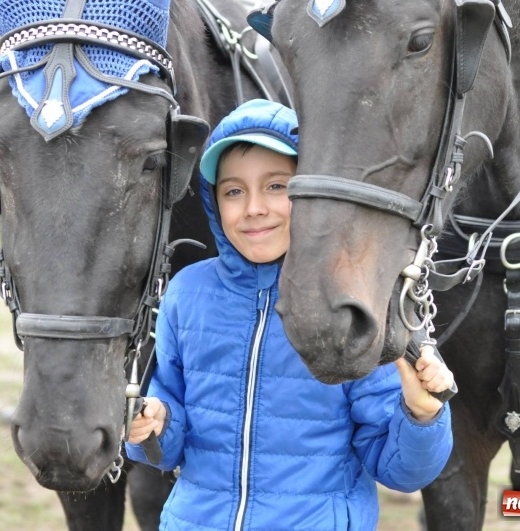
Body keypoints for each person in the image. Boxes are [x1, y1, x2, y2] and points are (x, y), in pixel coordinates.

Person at [125, 99, 454, 530]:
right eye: (234, 191)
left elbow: (400, 471)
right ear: (213, 201)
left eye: (276, 186)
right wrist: (154, 423)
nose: (254, 208)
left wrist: (422, 415)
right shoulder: (187, 293)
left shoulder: (350, 299)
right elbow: (167, 437)